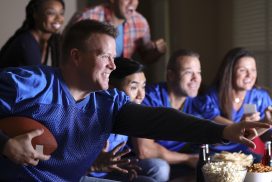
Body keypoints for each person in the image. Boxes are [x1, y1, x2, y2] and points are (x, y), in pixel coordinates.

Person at [0, 20, 270, 181]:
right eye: (104, 56)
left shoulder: (108, 103)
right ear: (76, 56)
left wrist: (222, 131)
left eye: (113, 57)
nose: (112, 65)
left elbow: (161, 120)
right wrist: (5, 144)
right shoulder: (29, 84)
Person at [132, 49, 216, 181]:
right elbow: (145, 151)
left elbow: (219, 124)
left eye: (198, 72)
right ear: (171, 75)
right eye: (188, 72)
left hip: (177, 157)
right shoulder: (149, 98)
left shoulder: (195, 102)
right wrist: (187, 159)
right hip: (140, 160)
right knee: (160, 167)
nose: (196, 78)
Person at [84, 58, 161, 182]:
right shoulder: (92, 116)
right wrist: (93, 166)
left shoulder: (127, 113)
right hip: (86, 174)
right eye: (134, 87)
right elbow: (64, 166)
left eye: (143, 86)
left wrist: (122, 166)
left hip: (110, 171)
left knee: (157, 167)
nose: (141, 95)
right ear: (111, 88)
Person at [198, 47, 272, 159]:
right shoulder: (210, 96)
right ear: (229, 72)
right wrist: (243, 126)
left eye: (253, 70)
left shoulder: (260, 96)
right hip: (215, 154)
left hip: (243, 154)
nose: (249, 75)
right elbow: (213, 136)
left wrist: (268, 124)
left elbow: (265, 137)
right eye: (242, 70)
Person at [66, 0, 166, 64]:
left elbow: (146, 58)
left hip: (119, 85)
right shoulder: (87, 17)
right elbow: (65, 52)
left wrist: (157, 51)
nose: (133, 2)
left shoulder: (141, 22)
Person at [0, 0, 64, 68]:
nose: (59, 18)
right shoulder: (27, 42)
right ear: (35, 14)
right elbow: (36, 77)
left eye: (61, 13)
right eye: (51, 13)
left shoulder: (49, 41)